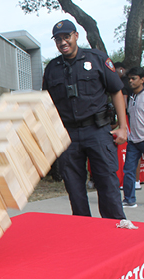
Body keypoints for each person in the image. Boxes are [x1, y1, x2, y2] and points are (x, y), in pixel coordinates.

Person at [42, 20, 128, 219]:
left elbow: (116, 90)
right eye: (58, 39)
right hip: (68, 135)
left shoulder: (97, 59)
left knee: (107, 183)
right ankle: (84, 234)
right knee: (74, 188)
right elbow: (47, 104)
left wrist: (123, 127)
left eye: (66, 37)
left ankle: (115, 230)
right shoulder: (52, 69)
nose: (63, 42)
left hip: (97, 131)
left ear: (76, 36)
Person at [122, 67, 144, 208]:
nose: (130, 81)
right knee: (128, 170)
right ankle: (129, 199)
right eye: (129, 78)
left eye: (134, 78)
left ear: (142, 80)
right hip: (133, 141)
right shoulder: (131, 97)